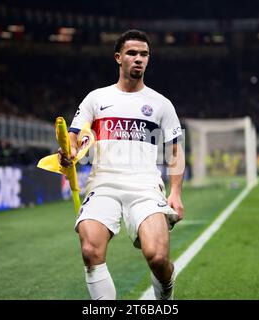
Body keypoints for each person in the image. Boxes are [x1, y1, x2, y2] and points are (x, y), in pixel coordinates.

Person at [58, 30, 185, 300]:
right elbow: (73, 137)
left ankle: (165, 294)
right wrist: (67, 152)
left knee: (158, 257)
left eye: (144, 54)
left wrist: (175, 192)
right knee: (91, 251)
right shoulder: (96, 98)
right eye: (132, 53)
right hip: (103, 184)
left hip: (145, 187)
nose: (138, 59)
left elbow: (175, 150)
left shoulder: (161, 104)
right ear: (118, 57)